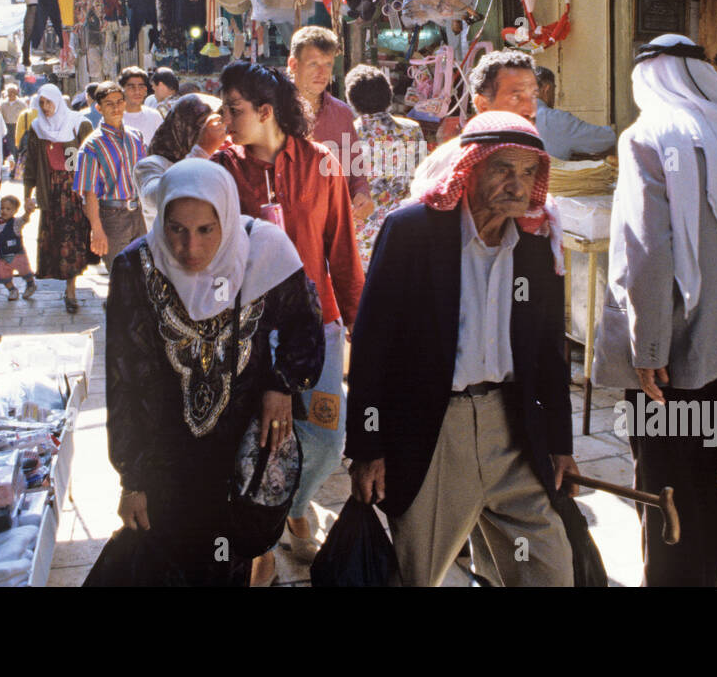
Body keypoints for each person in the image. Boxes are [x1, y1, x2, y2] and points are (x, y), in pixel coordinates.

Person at [591, 34, 717, 587]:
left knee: (663, 479)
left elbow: (647, 252)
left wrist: (649, 348)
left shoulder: (649, 137)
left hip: (675, 352)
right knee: (702, 468)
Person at [347, 111, 576, 586]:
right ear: (470, 168)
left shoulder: (534, 245)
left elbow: (550, 353)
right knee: (419, 574)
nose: (518, 185)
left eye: (528, 172)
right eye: (503, 169)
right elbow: (372, 343)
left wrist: (560, 443)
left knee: (549, 570)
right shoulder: (413, 231)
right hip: (434, 432)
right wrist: (367, 448)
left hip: (511, 430)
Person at [89, 159, 324, 587]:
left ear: (228, 218)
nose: (189, 248)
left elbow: (305, 328)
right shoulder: (136, 269)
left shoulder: (263, 253)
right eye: (176, 229)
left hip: (238, 452)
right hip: (166, 457)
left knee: (227, 560)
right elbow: (124, 379)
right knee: (168, 560)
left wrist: (283, 384)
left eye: (205, 230)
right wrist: (132, 477)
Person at [212, 61, 364, 578]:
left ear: (266, 111)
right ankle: (264, 545)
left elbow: (341, 248)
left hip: (317, 328)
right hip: (250, 332)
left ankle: (294, 508)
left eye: (234, 109)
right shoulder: (224, 170)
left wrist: (359, 326)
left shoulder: (321, 163)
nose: (225, 118)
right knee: (259, 440)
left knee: (325, 438)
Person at [408, 49, 540, 199]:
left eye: (534, 97)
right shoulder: (448, 165)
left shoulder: (532, 158)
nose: (531, 110)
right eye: (516, 97)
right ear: (483, 105)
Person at [286, 26, 374, 225]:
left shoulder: (342, 113)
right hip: (290, 226)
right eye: (313, 64)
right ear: (293, 64)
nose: (322, 72)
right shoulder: (274, 112)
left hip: (335, 225)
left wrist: (362, 195)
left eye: (327, 64)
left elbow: (356, 169)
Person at [22, 85, 95, 313]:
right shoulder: (37, 128)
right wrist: (27, 195)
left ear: (58, 101)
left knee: (73, 240)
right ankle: (65, 286)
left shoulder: (78, 124)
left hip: (74, 193)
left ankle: (71, 289)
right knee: (56, 240)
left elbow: (90, 160)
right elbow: (31, 164)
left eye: (49, 102)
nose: (45, 107)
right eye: (41, 103)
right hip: (51, 192)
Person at [343, 64, 425, 268]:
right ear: (388, 94)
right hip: (405, 231)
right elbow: (422, 178)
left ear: (351, 100)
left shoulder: (347, 136)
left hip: (363, 240)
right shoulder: (412, 130)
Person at [75, 80, 147, 273]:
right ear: (99, 108)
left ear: (125, 103)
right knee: (120, 277)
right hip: (112, 218)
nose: (116, 107)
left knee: (144, 276)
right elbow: (89, 193)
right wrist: (96, 230)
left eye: (119, 101)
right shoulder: (92, 145)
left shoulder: (136, 137)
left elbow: (145, 175)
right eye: (109, 103)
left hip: (139, 214)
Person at [134, 93, 226, 230]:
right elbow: (157, 197)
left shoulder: (217, 161)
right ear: (183, 124)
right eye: (204, 129)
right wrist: (201, 150)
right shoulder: (151, 165)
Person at [531, 66, 617, 160]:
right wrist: (614, 130)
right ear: (547, 89)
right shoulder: (555, 119)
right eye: (554, 89)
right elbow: (606, 139)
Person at [0, 194, 37, 301]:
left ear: (14, 211)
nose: (4, 211)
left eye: (8, 209)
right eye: (2, 208)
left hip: (17, 255)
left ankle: (30, 284)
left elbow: (24, 219)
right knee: (2, 274)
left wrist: (28, 212)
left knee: (25, 271)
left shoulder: (16, 223)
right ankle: (12, 290)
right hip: (2, 257)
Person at [119, 66, 161, 148]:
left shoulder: (154, 116)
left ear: (145, 90)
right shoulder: (115, 118)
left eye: (141, 87)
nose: (137, 91)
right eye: (131, 87)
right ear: (122, 90)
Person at [0, 84, 29, 174]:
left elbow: (25, 116)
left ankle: (17, 170)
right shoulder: (3, 104)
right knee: (11, 148)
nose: (11, 94)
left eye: (13, 92)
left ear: (16, 93)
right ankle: (13, 170)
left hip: (18, 127)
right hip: (7, 127)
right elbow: (0, 117)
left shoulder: (22, 104)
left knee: (18, 148)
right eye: (9, 92)